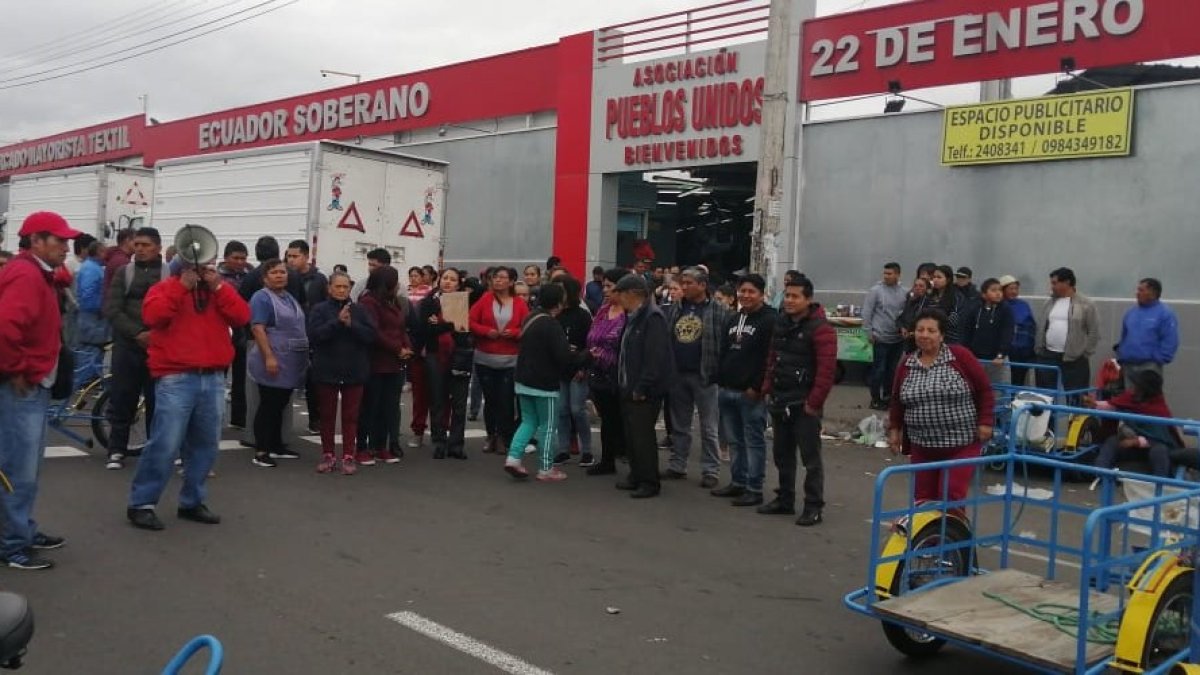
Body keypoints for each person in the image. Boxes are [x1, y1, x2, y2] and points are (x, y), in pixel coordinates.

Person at [126, 248, 251, 531]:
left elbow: (242, 316)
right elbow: (154, 317)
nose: (204, 269)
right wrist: (182, 287)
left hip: (212, 376)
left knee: (205, 444)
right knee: (165, 443)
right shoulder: (165, 288)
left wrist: (219, 287)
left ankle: (192, 500)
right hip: (176, 376)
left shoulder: (218, 291)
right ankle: (142, 503)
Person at [0, 212, 80, 568]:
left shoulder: (36, 272)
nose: (66, 247)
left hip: (33, 382)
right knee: (19, 469)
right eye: (59, 240)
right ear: (35, 241)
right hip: (23, 385)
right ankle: (12, 545)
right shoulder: (25, 274)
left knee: (26, 467)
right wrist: (16, 369)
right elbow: (5, 327)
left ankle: (22, 531)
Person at [887, 309, 995, 511]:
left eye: (931, 330)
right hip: (923, 446)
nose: (924, 335)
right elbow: (896, 402)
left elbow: (984, 390)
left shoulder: (960, 356)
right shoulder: (906, 364)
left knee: (950, 495)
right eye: (920, 330)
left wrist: (986, 422)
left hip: (961, 443)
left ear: (942, 335)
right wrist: (894, 430)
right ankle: (930, 533)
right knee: (923, 500)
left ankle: (954, 532)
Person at [758, 275, 837, 526]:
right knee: (782, 454)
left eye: (795, 296)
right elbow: (772, 358)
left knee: (810, 459)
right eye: (787, 296)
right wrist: (767, 387)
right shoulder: (781, 322)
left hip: (804, 404)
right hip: (781, 398)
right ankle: (785, 499)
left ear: (808, 299)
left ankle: (813, 506)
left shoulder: (821, 328)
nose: (790, 301)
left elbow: (826, 372)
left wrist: (814, 403)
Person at [504, 284, 589, 482]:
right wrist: (586, 356)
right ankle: (546, 468)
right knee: (548, 426)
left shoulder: (531, 318)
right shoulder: (551, 324)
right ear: (558, 303)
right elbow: (563, 357)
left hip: (523, 379)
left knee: (528, 421)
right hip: (544, 384)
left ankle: (513, 458)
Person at [103, 227, 168, 470]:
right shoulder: (124, 272)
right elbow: (112, 309)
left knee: (157, 401)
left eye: (145, 245)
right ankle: (116, 449)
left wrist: (155, 335)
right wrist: (138, 333)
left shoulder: (169, 274)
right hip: (127, 346)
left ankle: (155, 450)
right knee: (123, 397)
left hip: (159, 348)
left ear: (158, 248)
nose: (139, 249)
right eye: (137, 244)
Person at [710, 274, 777, 507]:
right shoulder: (733, 318)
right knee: (734, 441)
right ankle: (738, 481)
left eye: (751, 292)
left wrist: (757, 386)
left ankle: (754, 488)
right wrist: (720, 378)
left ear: (761, 294)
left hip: (751, 393)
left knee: (753, 441)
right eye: (742, 291)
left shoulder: (770, 320)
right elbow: (724, 350)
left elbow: (770, 357)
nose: (746, 295)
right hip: (727, 389)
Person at [662, 267, 729, 487]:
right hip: (678, 374)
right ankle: (677, 465)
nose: (684, 287)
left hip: (705, 375)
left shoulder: (718, 310)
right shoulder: (675, 308)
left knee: (708, 427)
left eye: (689, 283)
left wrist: (719, 372)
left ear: (702, 285)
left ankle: (711, 470)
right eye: (683, 283)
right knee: (680, 425)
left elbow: (724, 343)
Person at [307, 271, 376, 474]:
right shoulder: (319, 309)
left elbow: (371, 336)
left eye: (345, 287)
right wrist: (337, 322)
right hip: (326, 369)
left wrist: (351, 324)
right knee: (327, 416)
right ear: (329, 288)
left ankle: (348, 455)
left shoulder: (360, 310)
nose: (341, 290)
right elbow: (314, 336)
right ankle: (328, 455)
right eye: (337, 286)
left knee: (351, 416)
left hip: (355, 370)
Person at [613, 275, 675, 499]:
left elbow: (654, 358)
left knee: (642, 437)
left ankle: (649, 481)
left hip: (644, 390)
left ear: (633, 293)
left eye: (620, 293)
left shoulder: (652, 317)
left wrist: (642, 386)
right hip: (627, 385)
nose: (618, 298)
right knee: (631, 435)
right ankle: (636, 475)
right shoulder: (633, 316)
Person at [247, 259, 309, 468]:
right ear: (265, 278)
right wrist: (269, 356)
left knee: (280, 404)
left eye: (282, 272)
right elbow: (258, 328)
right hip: (273, 358)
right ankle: (261, 451)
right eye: (274, 272)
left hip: (291, 360)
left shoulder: (289, 297)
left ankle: (276, 445)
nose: (279, 275)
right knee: (268, 404)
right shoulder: (261, 298)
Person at [357, 266, 415, 467]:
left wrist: (407, 347)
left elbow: (401, 327)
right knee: (370, 407)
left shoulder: (393, 301)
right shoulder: (368, 302)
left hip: (394, 363)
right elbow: (374, 332)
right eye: (395, 280)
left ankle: (381, 446)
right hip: (376, 362)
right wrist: (397, 348)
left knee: (388, 407)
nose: (398, 284)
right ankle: (362, 447)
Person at [470, 267, 529, 455]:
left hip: (510, 359)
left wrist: (514, 333)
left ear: (511, 282)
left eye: (502, 277)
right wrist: (486, 331)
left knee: (506, 400)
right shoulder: (485, 299)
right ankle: (491, 435)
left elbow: (527, 327)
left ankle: (504, 437)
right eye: (495, 277)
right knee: (490, 399)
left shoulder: (519, 303)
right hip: (485, 358)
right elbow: (471, 321)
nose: (498, 280)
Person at [418, 268, 473, 460]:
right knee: (437, 400)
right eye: (445, 278)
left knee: (459, 402)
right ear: (439, 280)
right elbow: (425, 330)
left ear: (459, 284)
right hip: (435, 354)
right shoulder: (428, 301)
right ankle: (439, 442)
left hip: (459, 355)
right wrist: (449, 324)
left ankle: (456, 444)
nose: (448, 282)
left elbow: (462, 331)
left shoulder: (462, 301)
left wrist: (440, 324)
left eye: (453, 279)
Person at [1086, 369, 1183, 478]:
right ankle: (1100, 473)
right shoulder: (1131, 397)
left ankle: (1161, 483)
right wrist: (1094, 404)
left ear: (1145, 389)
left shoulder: (1158, 408)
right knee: (1112, 442)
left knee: (1159, 451)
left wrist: (1136, 442)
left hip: (1153, 447)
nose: (1133, 387)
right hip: (1133, 446)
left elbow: (1162, 438)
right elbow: (1113, 406)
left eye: (1138, 385)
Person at [585, 268, 631, 476]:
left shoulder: (629, 314)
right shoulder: (603, 310)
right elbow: (591, 336)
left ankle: (627, 454)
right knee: (607, 419)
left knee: (622, 419)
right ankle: (607, 460)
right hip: (599, 374)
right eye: (604, 286)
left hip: (620, 374)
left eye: (609, 286)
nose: (604, 290)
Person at [1035, 267, 1100, 394]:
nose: (1052, 287)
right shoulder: (1049, 303)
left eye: (1055, 283)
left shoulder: (1086, 304)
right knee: (1045, 395)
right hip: (1048, 355)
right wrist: (1039, 349)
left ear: (1067, 282)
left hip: (1074, 359)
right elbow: (1042, 326)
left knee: (1076, 395)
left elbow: (1094, 331)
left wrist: (1085, 353)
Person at [285, 240, 328, 433]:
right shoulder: (284, 276)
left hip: (311, 335)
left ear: (306, 256)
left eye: (295, 256)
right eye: (289, 256)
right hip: (289, 334)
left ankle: (315, 419)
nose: (291, 260)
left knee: (313, 380)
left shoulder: (318, 280)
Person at [553, 276, 594, 467]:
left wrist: (583, 366)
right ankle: (563, 449)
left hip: (578, 367)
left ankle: (587, 450)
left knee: (577, 409)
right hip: (560, 368)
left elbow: (590, 343)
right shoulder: (555, 314)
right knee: (561, 410)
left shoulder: (583, 315)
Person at [1116, 278, 1178, 389]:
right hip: (1128, 365)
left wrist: (1157, 359)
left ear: (1152, 293)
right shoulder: (1131, 313)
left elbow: (1170, 340)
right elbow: (1124, 336)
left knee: (1147, 398)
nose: (1137, 293)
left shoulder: (1165, 314)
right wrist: (1122, 354)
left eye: (1141, 290)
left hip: (1149, 367)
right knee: (1129, 398)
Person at [862, 262, 907, 410]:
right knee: (879, 370)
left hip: (897, 339)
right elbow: (867, 312)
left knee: (892, 371)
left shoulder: (904, 292)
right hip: (880, 338)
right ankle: (875, 399)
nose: (886, 276)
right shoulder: (875, 291)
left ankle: (888, 398)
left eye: (890, 273)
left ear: (898, 275)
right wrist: (869, 332)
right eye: (885, 273)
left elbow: (906, 313)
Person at [218, 241, 252, 429]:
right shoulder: (217, 277)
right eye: (236, 258)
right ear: (226, 258)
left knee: (241, 377)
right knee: (218, 376)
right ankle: (216, 416)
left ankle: (239, 418)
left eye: (243, 258)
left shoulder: (251, 276)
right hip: (222, 330)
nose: (240, 262)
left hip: (243, 330)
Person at [73, 241, 110, 386]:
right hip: (92, 319)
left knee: (94, 352)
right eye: (104, 251)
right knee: (89, 352)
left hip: (92, 319)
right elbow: (88, 295)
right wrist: (102, 308)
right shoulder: (91, 269)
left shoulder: (93, 267)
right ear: (99, 252)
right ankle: (81, 384)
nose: (107, 255)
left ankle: (91, 382)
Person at [965, 278, 1014, 384]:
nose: (998, 293)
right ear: (984, 294)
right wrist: (967, 353)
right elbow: (967, 332)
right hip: (977, 358)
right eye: (993, 290)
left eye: (1000, 290)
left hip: (997, 360)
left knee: (999, 389)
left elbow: (1008, 333)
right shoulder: (975, 309)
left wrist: (1001, 354)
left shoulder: (1006, 309)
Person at [406, 266, 434, 449]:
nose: (416, 278)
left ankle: (441, 433)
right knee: (419, 395)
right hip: (418, 351)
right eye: (413, 275)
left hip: (439, 353)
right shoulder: (407, 295)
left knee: (442, 397)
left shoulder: (434, 296)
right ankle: (418, 430)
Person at [999, 275, 1036, 386]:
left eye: (1016, 288)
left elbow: (1031, 326)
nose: (1014, 291)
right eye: (1011, 289)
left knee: (1018, 382)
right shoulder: (998, 305)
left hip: (1023, 352)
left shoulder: (1023, 305)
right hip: (1005, 352)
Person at [927, 266, 964, 344]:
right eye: (934, 277)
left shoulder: (956, 296)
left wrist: (935, 324)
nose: (935, 280)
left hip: (949, 338)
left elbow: (954, 320)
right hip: (930, 337)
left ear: (948, 279)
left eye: (939, 277)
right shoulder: (930, 296)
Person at [898, 277, 930, 353]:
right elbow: (900, 318)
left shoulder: (929, 303)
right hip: (907, 342)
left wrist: (913, 333)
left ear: (927, 288)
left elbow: (929, 324)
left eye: (921, 286)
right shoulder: (910, 301)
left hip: (922, 342)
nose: (918, 288)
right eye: (915, 285)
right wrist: (902, 328)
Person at [101, 228, 135, 297]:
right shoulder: (122, 261)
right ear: (127, 240)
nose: (139, 246)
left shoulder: (116, 256)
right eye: (136, 241)